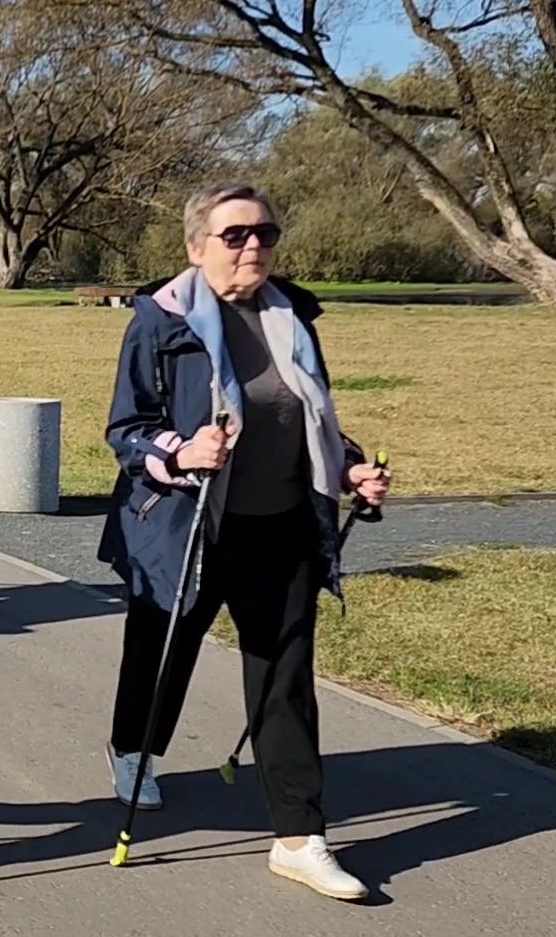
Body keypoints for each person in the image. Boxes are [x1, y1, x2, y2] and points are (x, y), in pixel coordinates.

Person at [97, 183, 393, 901]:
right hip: (189, 525)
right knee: (162, 654)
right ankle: (133, 749)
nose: (253, 245)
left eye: (265, 231)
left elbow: (308, 417)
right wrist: (181, 449)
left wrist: (349, 464)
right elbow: (126, 431)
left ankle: (299, 838)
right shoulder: (161, 321)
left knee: (285, 681)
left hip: (284, 525)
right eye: (235, 236)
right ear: (197, 247)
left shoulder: (293, 315)